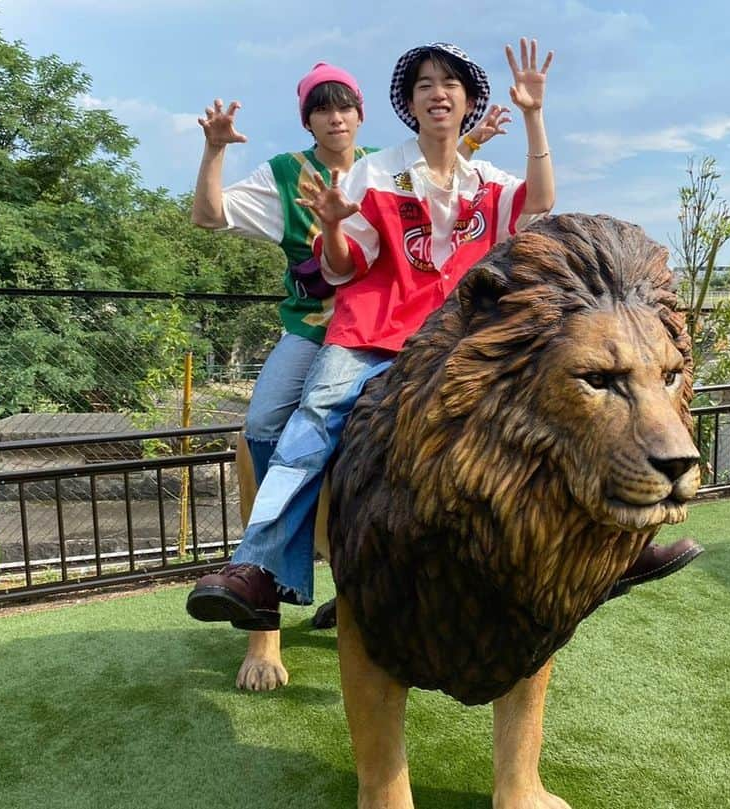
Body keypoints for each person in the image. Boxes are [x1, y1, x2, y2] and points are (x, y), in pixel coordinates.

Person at [185, 62, 509, 690]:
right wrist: (213, 149)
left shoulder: (382, 164)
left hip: (406, 325)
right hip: (324, 328)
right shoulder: (286, 174)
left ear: (362, 115)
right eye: (322, 108)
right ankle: (267, 585)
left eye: (346, 107)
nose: (336, 118)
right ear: (307, 118)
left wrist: (480, 139)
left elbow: (443, 183)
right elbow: (207, 215)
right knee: (268, 424)